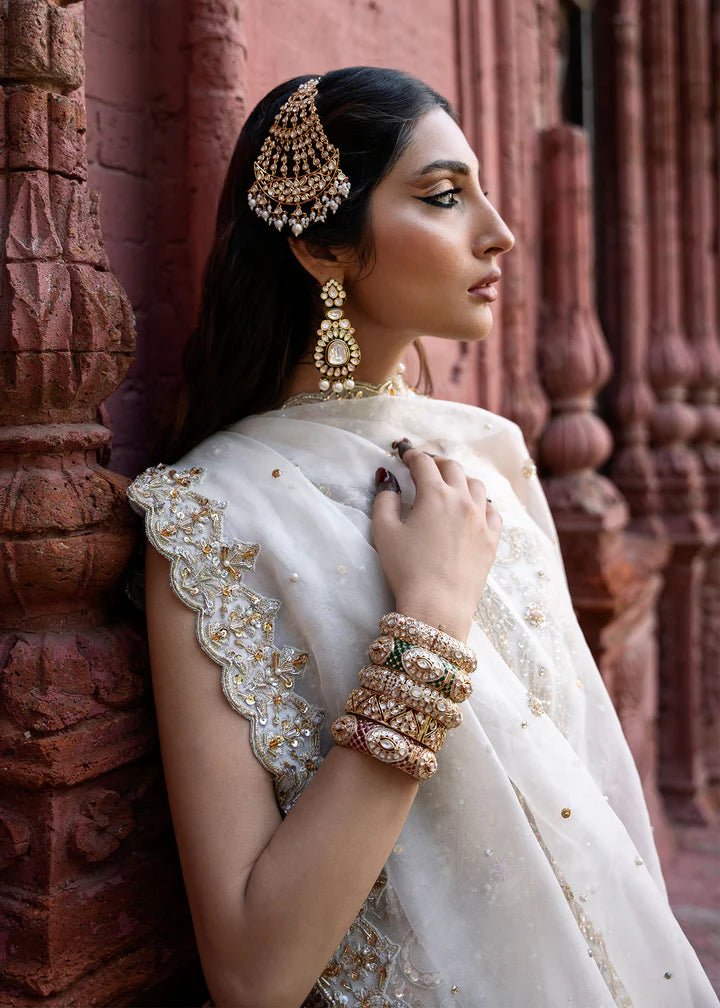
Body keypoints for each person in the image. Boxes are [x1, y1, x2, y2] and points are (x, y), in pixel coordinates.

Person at [126, 67, 719, 1008]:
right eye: (445, 197)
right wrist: (431, 621)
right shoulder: (209, 517)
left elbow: (582, 801)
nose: (500, 231)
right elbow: (253, 973)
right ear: (324, 245)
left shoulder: (492, 457)